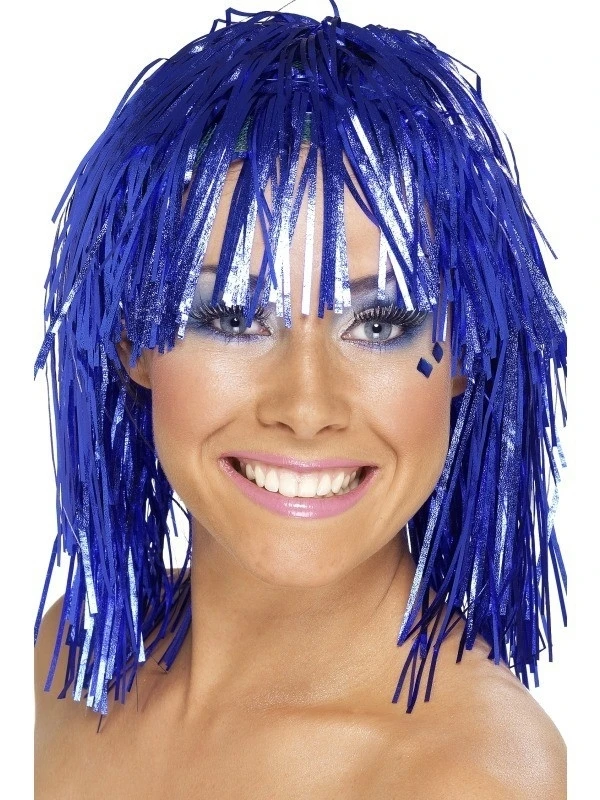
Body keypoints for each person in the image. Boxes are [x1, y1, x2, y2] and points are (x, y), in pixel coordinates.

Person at [34, 4, 567, 797]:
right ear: (129, 341)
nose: (307, 406)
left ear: (467, 354)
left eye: (380, 322)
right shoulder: (65, 664)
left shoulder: (469, 778)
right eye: (231, 316)